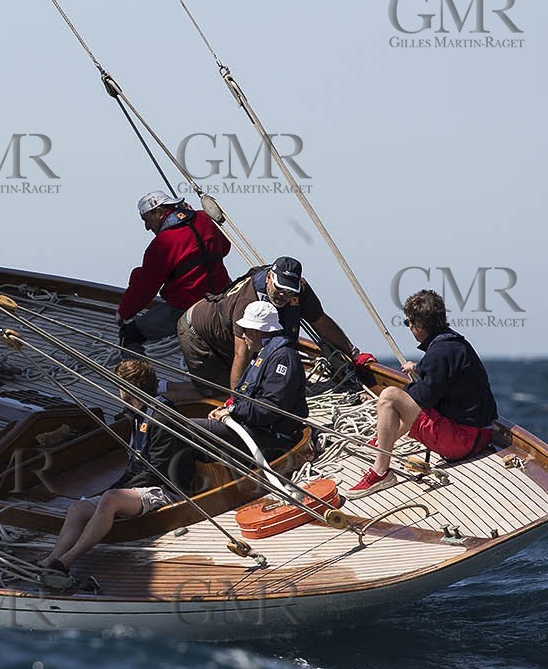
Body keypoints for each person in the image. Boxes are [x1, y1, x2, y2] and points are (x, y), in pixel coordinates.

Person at [40, 357, 191, 591]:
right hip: (142, 485)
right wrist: (119, 488)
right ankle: (51, 559)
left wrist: (118, 491)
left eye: (119, 385)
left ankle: (65, 562)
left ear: (130, 388)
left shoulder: (162, 418)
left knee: (111, 499)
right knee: (78, 508)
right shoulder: (138, 414)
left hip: (167, 490)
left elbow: (157, 472)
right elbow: (135, 464)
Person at [350, 290, 497, 495]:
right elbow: (442, 375)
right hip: (482, 435)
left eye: (408, 323)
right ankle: (383, 441)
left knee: (390, 397)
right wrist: (419, 368)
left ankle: (380, 472)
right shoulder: (455, 344)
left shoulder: (438, 353)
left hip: (462, 441)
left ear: (418, 326)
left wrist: (405, 391)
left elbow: (422, 398)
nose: (409, 328)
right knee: (407, 401)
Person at [176, 255, 365, 397]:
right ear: (268, 278)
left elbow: (321, 322)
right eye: (279, 288)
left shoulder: (300, 290)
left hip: (227, 334)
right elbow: (242, 354)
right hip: (198, 334)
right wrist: (236, 401)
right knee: (218, 394)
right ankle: (166, 390)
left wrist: (354, 354)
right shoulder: (249, 303)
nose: (283, 295)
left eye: (289, 291)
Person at [185, 300, 308, 475]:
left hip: (269, 439)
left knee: (184, 428)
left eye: (245, 330)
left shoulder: (282, 358)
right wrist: (227, 409)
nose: (242, 335)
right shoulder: (265, 355)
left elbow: (269, 408)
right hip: (252, 428)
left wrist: (232, 411)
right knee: (184, 428)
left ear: (256, 331)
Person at [116, 191, 230, 353]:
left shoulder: (162, 244)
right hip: (223, 298)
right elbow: (225, 247)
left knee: (130, 334)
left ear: (159, 212)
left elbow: (145, 287)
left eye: (146, 219)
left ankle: (134, 370)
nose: (147, 227)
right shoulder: (203, 219)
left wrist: (124, 313)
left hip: (188, 307)